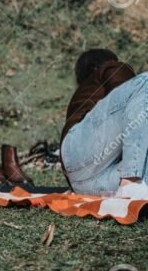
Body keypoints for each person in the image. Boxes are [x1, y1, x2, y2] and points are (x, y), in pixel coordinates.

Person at [60, 49, 148, 199]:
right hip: (79, 151)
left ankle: (131, 183)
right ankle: (131, 181)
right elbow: (133, 99)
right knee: (145, 81)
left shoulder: (85, 96)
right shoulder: (108, 69)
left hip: (86, 183)